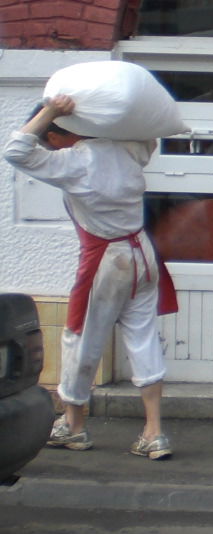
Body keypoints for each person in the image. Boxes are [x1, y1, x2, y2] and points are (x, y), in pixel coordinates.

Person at [4, 96, 178, 458]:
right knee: (142, 336)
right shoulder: (124, 148)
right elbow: (150, 139)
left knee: (80, 340)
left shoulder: (72, 161)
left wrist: (50, 111)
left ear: (55, 137)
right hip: (141, 251)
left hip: (106, 259)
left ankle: (74, 425)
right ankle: (154, 432)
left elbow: (15, 150)